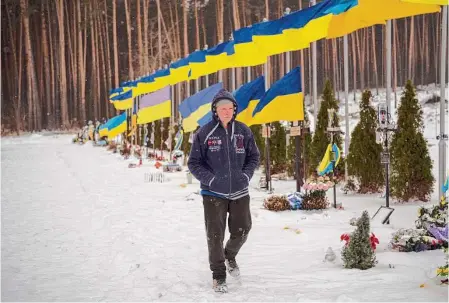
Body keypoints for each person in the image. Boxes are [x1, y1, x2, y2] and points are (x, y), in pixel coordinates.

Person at [187, 88, 260, 293]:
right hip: (213, 194)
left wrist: (245, 176)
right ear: (215, 111)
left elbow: (254, 157)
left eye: (230, 108)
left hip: (239, 192)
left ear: (234, 110)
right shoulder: (205, 132)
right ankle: (219, 275)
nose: (226, 112)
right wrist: (210, 180)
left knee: (242, 230)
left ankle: (230, 255)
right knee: (215, 236)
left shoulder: (244, 131)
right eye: (222, 108)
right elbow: (194, 163)